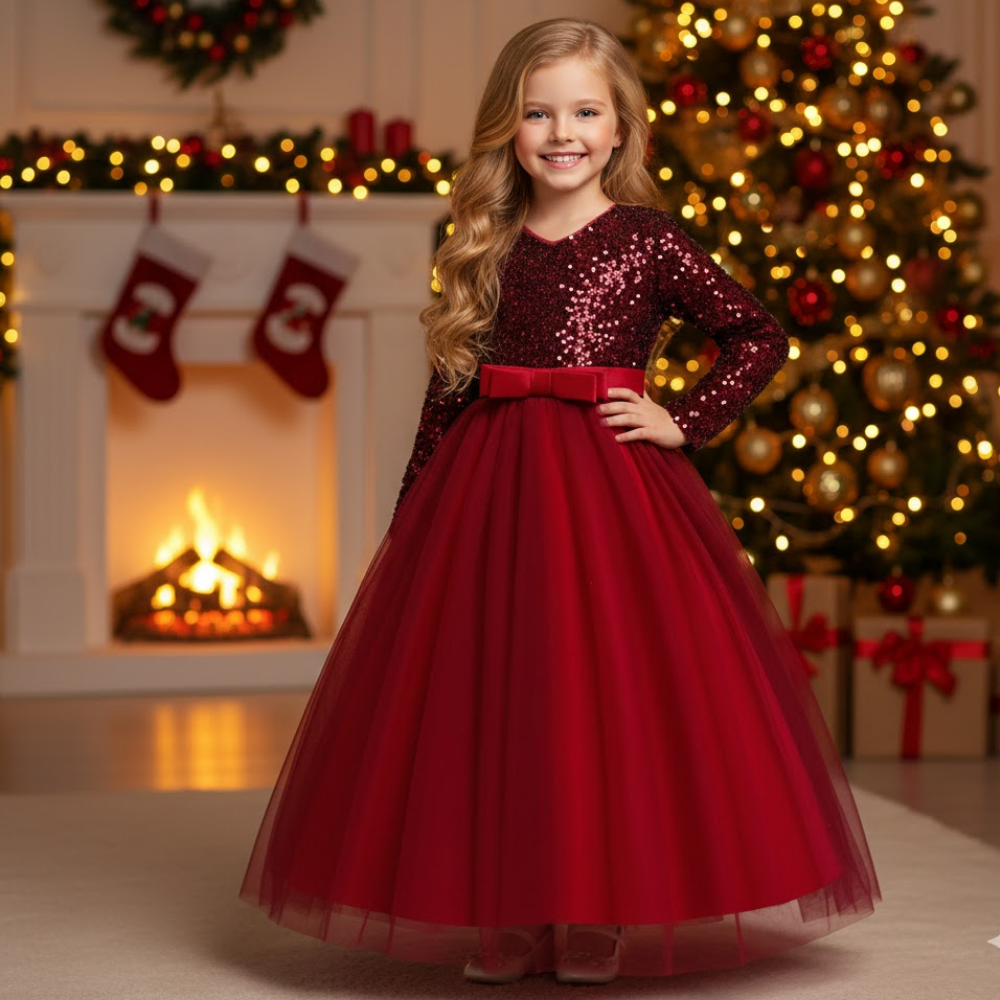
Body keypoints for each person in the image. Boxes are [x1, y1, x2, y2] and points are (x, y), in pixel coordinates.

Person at [239, 16, 881, 987]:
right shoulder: (484, 243)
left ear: (621, 129)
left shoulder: (649, 240)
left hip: (610, 494)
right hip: (487, 495)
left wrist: (686, 419)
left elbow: (753, 334)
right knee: (495, 694)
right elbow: (448, 387)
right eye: (538, 113)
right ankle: (506, 905)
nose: (562, 131)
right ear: (507, 127)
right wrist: (414, 514)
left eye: (585, 111)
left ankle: (593, 909)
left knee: (600, 698)